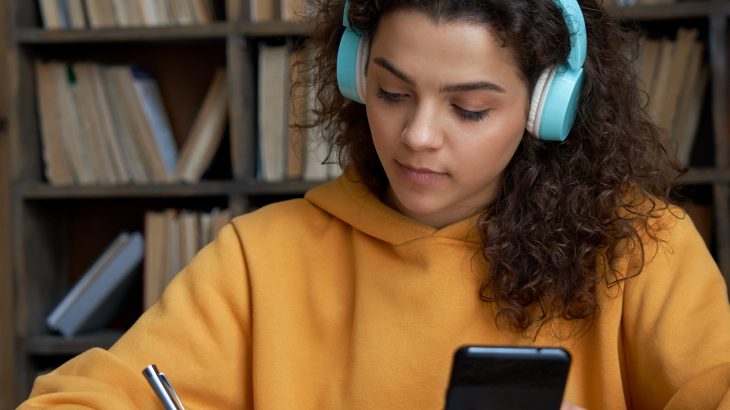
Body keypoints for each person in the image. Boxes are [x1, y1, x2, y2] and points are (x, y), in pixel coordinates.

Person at [19, 0, 730, 408]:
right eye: (392, 94)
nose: (417, 136)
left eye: (471, 109)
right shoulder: (260, 257)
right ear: (357, 77)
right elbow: (90, 394)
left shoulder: (642, 246)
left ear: (545, 110)